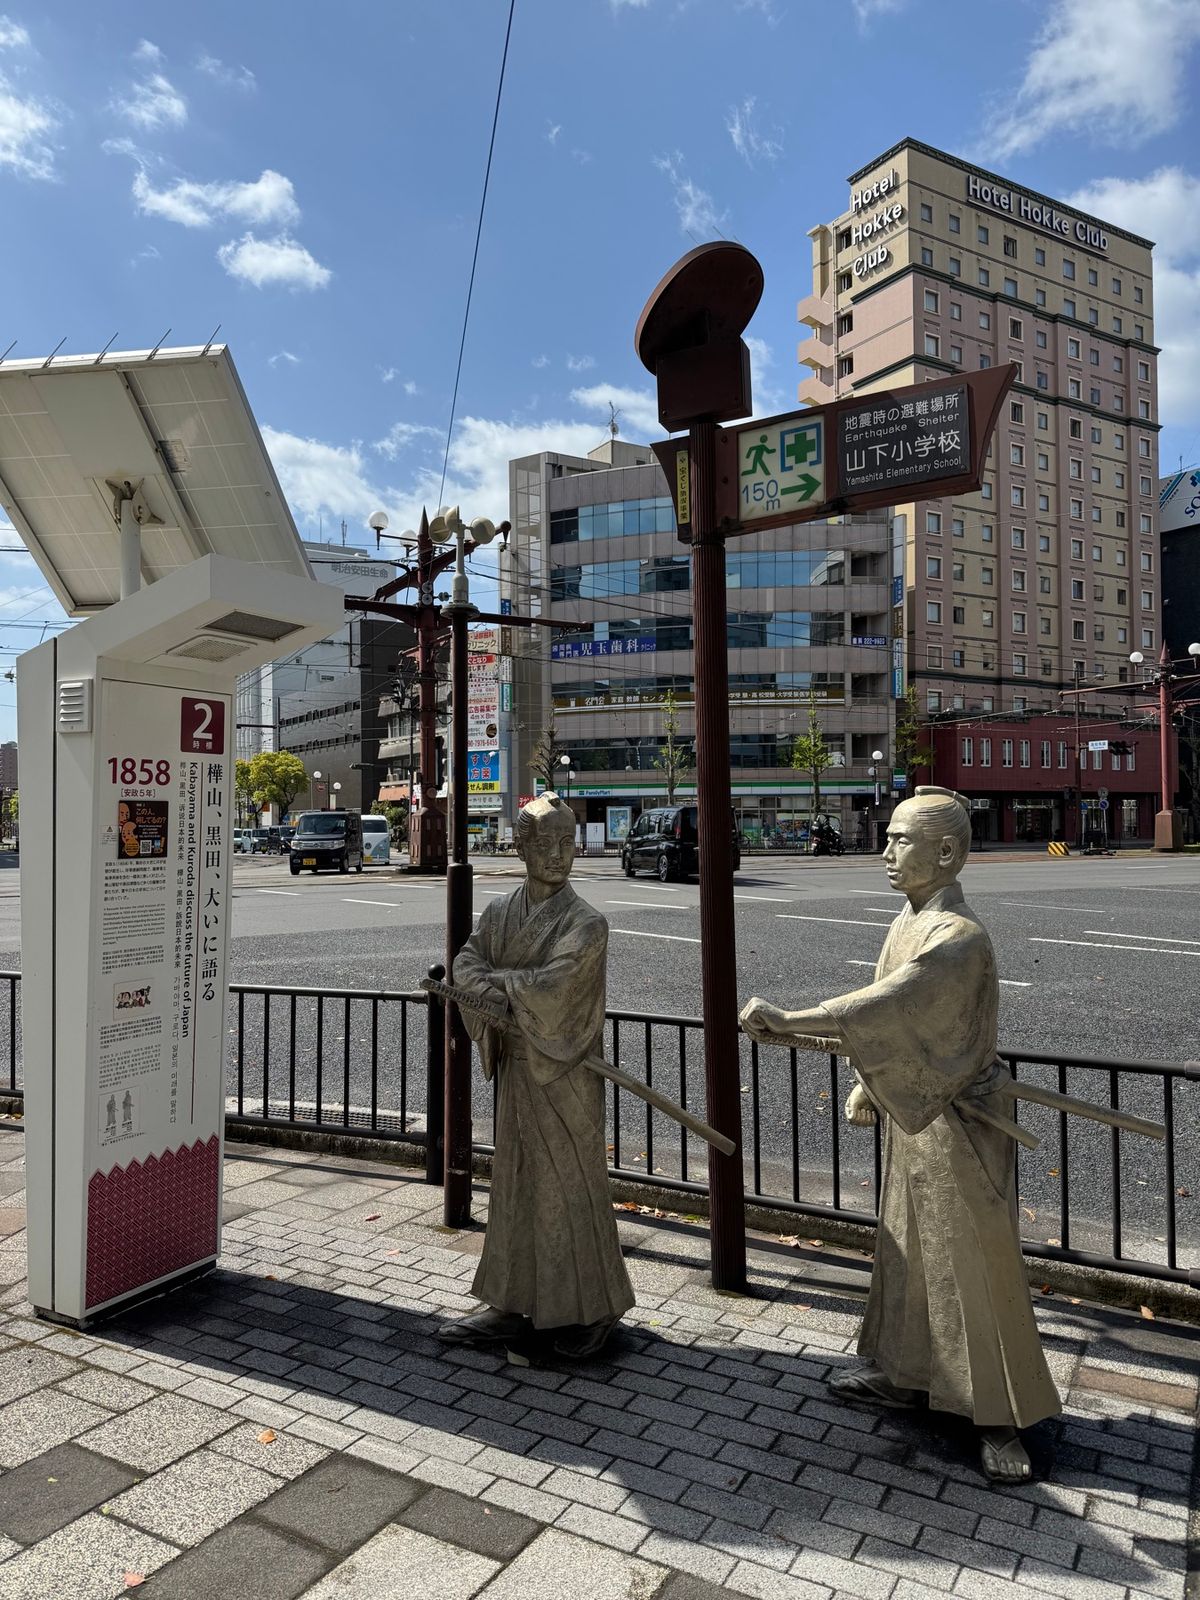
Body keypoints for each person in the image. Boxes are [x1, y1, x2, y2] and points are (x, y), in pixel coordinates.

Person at [740, 786, 1060, 1484]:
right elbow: (898, 1032)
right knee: (909, 1247)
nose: (885, 851)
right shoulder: (908, 920)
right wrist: (867, 1081)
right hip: (917, 1117)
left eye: (899, 839)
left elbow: (887, 1004)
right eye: (887, 838)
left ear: (945, 852)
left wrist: (791, 1020)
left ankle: (999, 1414)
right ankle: (904, 1372)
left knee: (972, 1264)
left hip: (964, 1125)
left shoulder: (958, 938)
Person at [437, 792, 635, 1359]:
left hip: (562, 1072)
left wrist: (498, 987)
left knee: (570, 1186)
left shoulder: (586, 924)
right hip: (518, 1073)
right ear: (521, 847)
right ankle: (509, 1301)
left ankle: (591, 1308)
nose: (557, 854)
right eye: (544, 843)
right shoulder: (500, 912)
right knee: (515, 1187)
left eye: (567, 843)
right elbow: (466, 962)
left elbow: (557, 987)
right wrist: (496, 988)